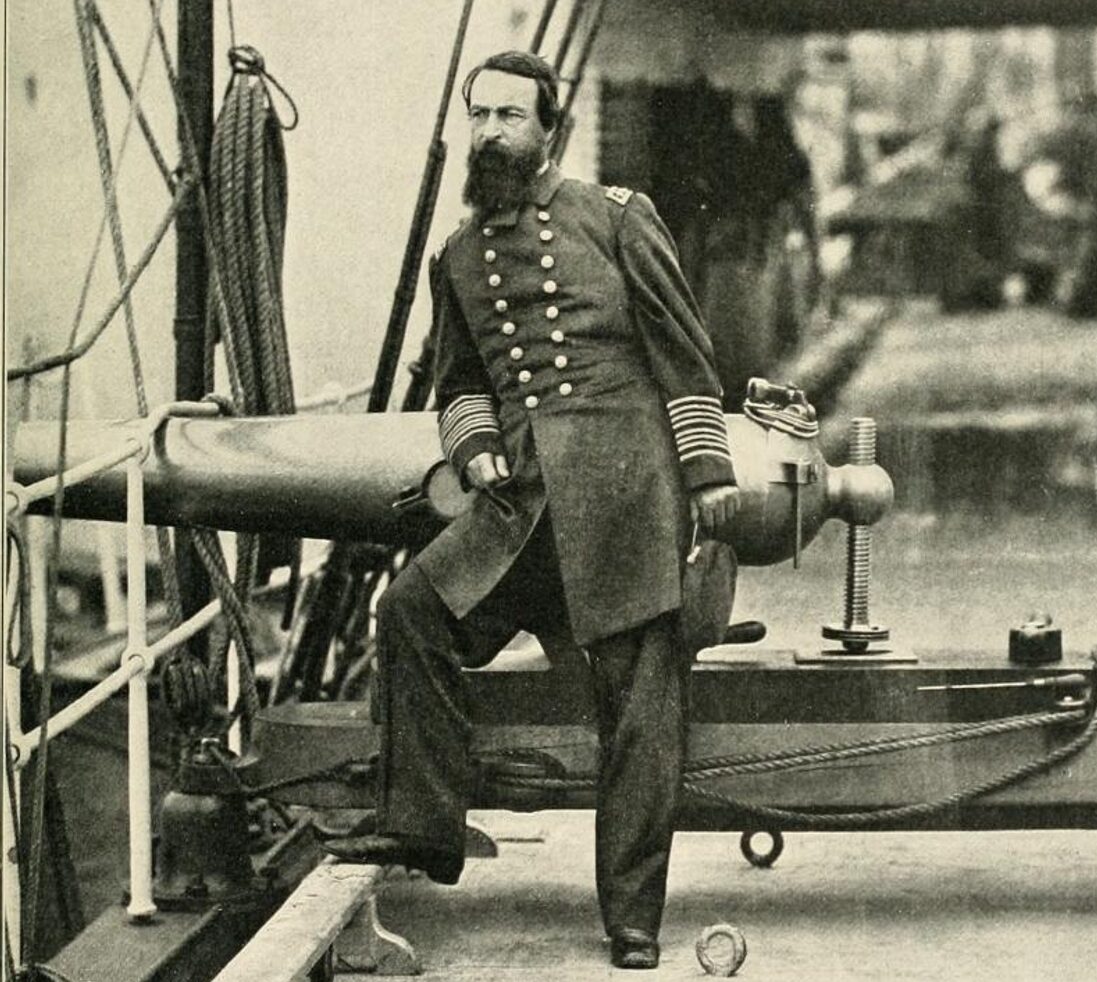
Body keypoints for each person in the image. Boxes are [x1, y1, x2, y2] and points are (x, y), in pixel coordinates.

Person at [323, 50, 740, 971]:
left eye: (510, 116)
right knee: (412, 613)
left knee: (639, 707)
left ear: (549, 129)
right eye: (479, 116)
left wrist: (707, 475)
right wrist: (474, 451)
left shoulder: (616, 219)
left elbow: (684, 352)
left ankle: (632, 916)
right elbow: (458, 382)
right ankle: (425, 829)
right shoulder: (459, 257)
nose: (490, 133)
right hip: (520, 511)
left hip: (626, 494)